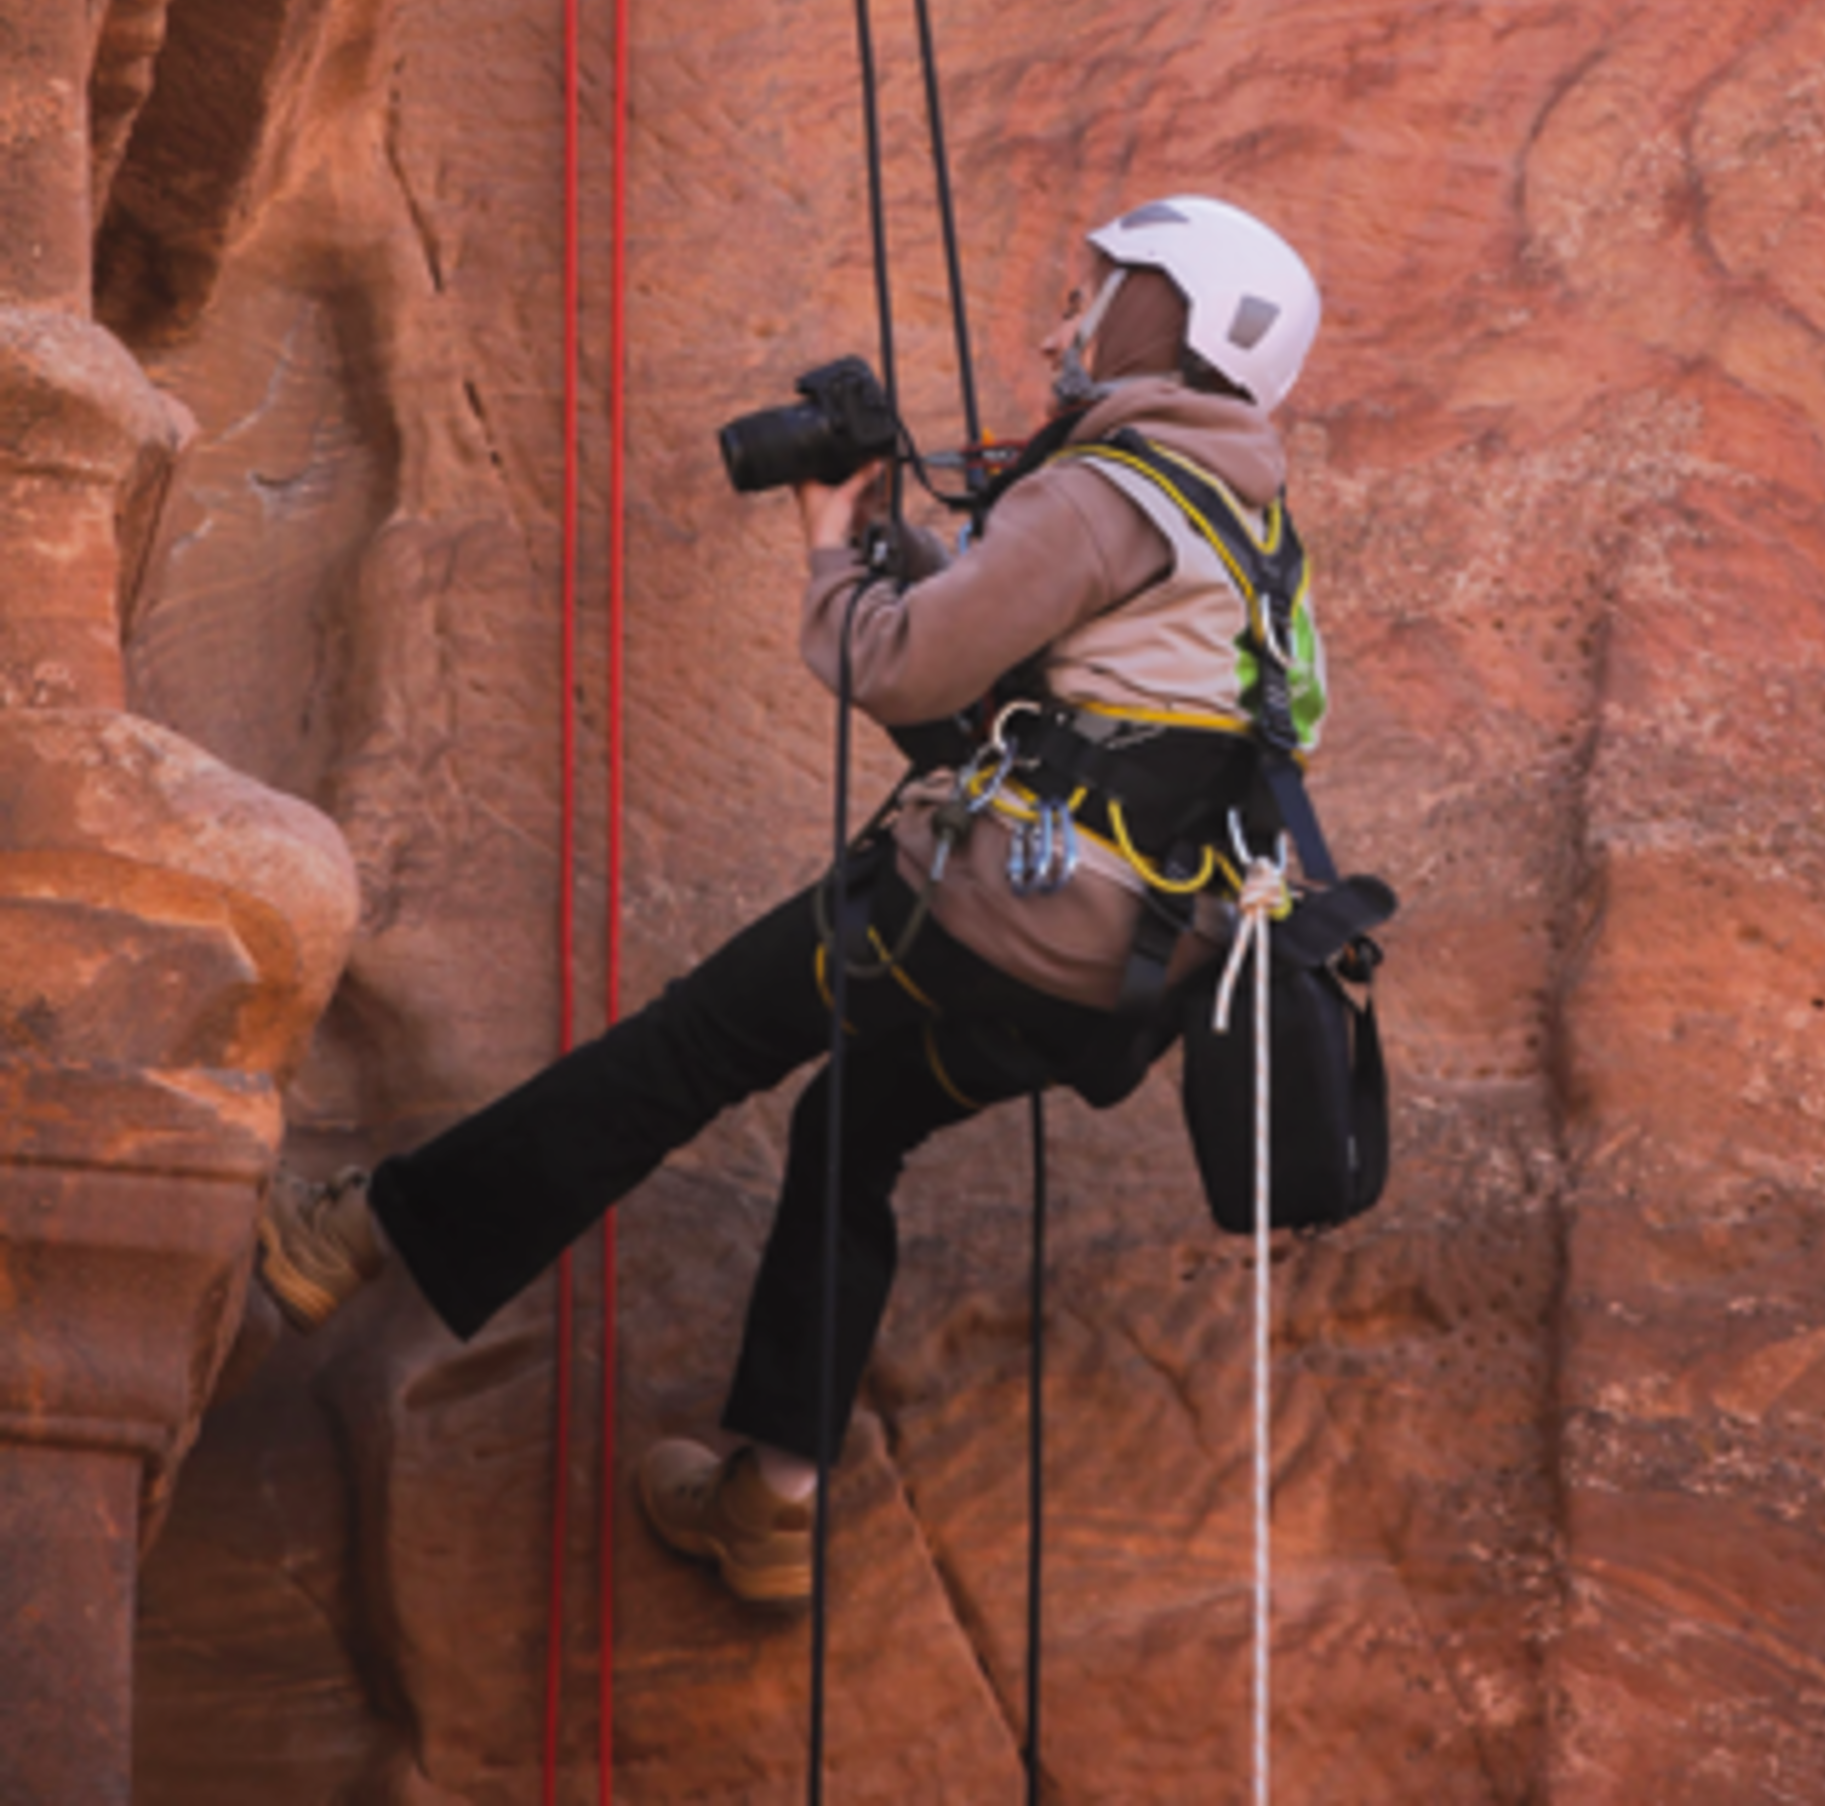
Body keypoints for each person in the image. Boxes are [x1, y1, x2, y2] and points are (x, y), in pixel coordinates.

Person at [258, 195, 1328, 1607]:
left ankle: (359, 1234)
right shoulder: (1244, 523)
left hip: (985, 915)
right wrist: (905, 556)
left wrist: (833, 547)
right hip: (1121, 979)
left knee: (690, 1048)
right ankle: (769, 1499)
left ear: (1167, 317)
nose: (1063, 326)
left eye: (1097, 295)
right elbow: (1074, 685)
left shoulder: (1102, 491)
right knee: (850, 1127)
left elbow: (904, 672)